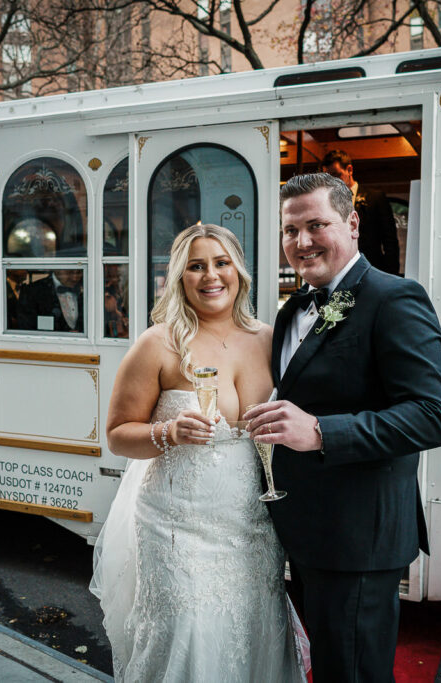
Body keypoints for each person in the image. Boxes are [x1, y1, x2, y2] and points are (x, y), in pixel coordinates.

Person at [245, 173, 441, 682]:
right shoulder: (293, 309)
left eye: (317, 225)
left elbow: (432, 415)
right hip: (307, 533)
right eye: (290, 231)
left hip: (360, 537)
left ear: (353, 224)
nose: (301, 241)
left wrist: (320, 432)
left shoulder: (395, 298)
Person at [90, 224, 306, 682]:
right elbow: (116, 433)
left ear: (239, 271)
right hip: (176, 528)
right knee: (188, 636)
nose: (211, 275)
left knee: (253, 634)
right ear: (179, 277)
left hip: (253, 527)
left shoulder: (270, 339)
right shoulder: (158, 343)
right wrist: (168, 431)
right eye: (196, 265)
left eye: (221, 262)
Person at [321, 150, 400, 275]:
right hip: (339, 272)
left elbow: (390, 241)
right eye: (329, 178)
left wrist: (390, 276)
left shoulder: (375, 198)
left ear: (349, 170)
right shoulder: (326, 203)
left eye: (337, 175)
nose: (333, 183)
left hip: (372, 269)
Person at [16, 269, 84, 332]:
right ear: (56, 268)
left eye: (79, 272)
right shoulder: (31, 292)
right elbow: (26, 330)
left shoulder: (89, 288)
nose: (75, 278)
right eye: (70, 272)